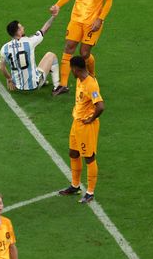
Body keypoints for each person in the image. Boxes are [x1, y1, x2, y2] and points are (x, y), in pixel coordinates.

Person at [50, 0, 114, 96]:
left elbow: (109, 1)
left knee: (84, 53)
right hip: (76, 18)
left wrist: (100, 19)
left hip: (92, 22)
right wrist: (58, 5)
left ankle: (92, 76)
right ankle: (63, 85)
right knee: (68, 47)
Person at [58, 56, 104, 203]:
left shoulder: (91, 85)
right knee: (73, 152)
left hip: (86, 126)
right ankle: (75, 185)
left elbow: (100, 106)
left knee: (89, 157)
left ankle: (90, 192)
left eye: (71, 69)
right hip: (76, 123)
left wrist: (91, 119)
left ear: (76, 69)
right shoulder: (80, 79)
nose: (70, 71)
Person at [0, 14, 60, 92]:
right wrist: (53, 16)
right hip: (34, 85)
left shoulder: (4, 48)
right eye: (21, 27)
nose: (23, 28)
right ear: (18, 32)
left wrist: (9, 78)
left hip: (18, 86)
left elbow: (1, 67)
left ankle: (40, 79)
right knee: (51, 55)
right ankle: (57, 86)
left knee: (31, 66)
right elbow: (44, 29)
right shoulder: (29, 42)